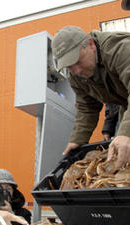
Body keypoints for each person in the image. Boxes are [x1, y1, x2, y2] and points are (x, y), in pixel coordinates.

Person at [51, 26, 130, 169]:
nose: (77, 71)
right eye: (69, 67)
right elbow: (87, 107)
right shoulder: (76, 75)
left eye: (78, 61)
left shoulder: (120, 49)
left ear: (90, 44)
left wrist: (126, 133)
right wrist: (78, 139)